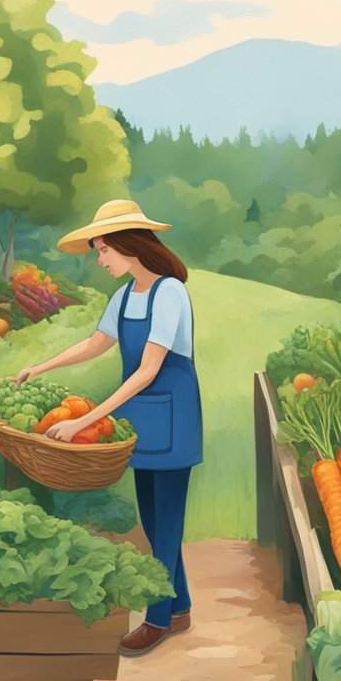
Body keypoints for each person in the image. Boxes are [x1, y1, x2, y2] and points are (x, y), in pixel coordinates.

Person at [14, 199, 202, 657]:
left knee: (169, 518)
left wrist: (87, 418)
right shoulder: (123, 297)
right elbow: (96, 343)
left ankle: (158, 618)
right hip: (141, 415)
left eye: (103, 251)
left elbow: (147, 369)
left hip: (172, 412)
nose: (100, 260)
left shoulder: (170, 292)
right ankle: (180, 608)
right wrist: (41, 367)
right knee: (153, 518)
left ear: (128, 246)